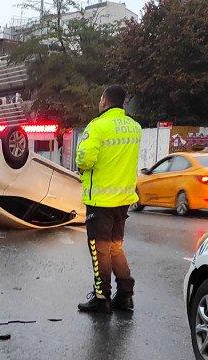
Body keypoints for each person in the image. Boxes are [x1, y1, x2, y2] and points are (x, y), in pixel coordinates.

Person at [76, 84, 143, 314]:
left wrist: (80, 165)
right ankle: (125, 294)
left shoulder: (97, 126)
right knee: (115, 247)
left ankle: (101, 296)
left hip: (100, 200)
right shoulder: (134, 128)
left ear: (104, 100)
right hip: (123, 198)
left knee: (99, 248)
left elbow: (85, 159)